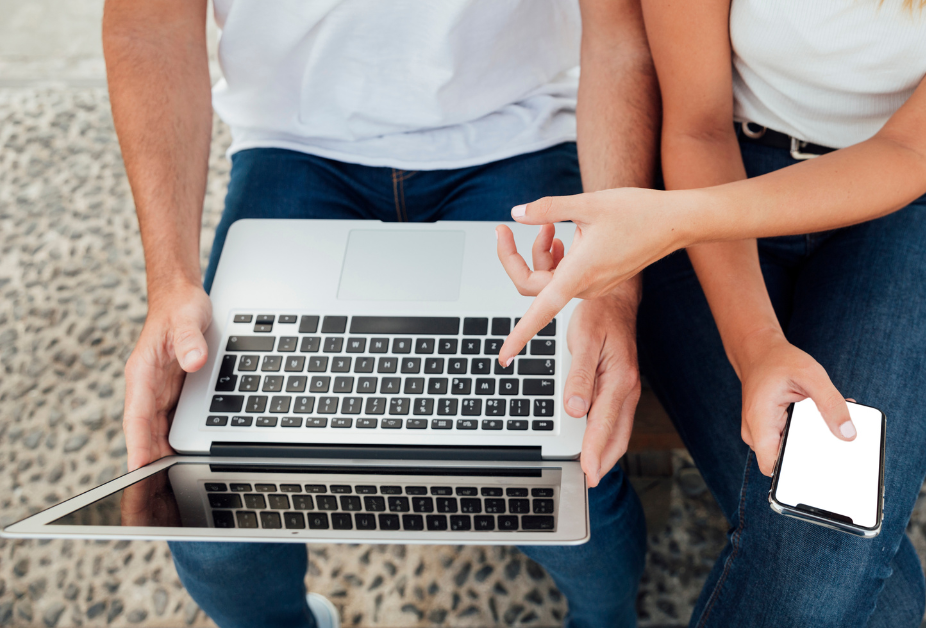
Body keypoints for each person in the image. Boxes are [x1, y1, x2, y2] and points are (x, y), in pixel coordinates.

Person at [496, 0, 926, 624]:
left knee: (834, 557)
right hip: (712, 178)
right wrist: (754, 343)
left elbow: (911, 149)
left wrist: (677, 223)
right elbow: (698, 127)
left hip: (894, 198)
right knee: (882, 600)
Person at [106, 1, 658, 626]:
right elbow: (147, 25)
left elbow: (618, 35)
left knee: (573, 475)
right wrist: (170, 284)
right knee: (211, 503)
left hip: (516, 131)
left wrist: (614, 284)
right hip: (292, 143)